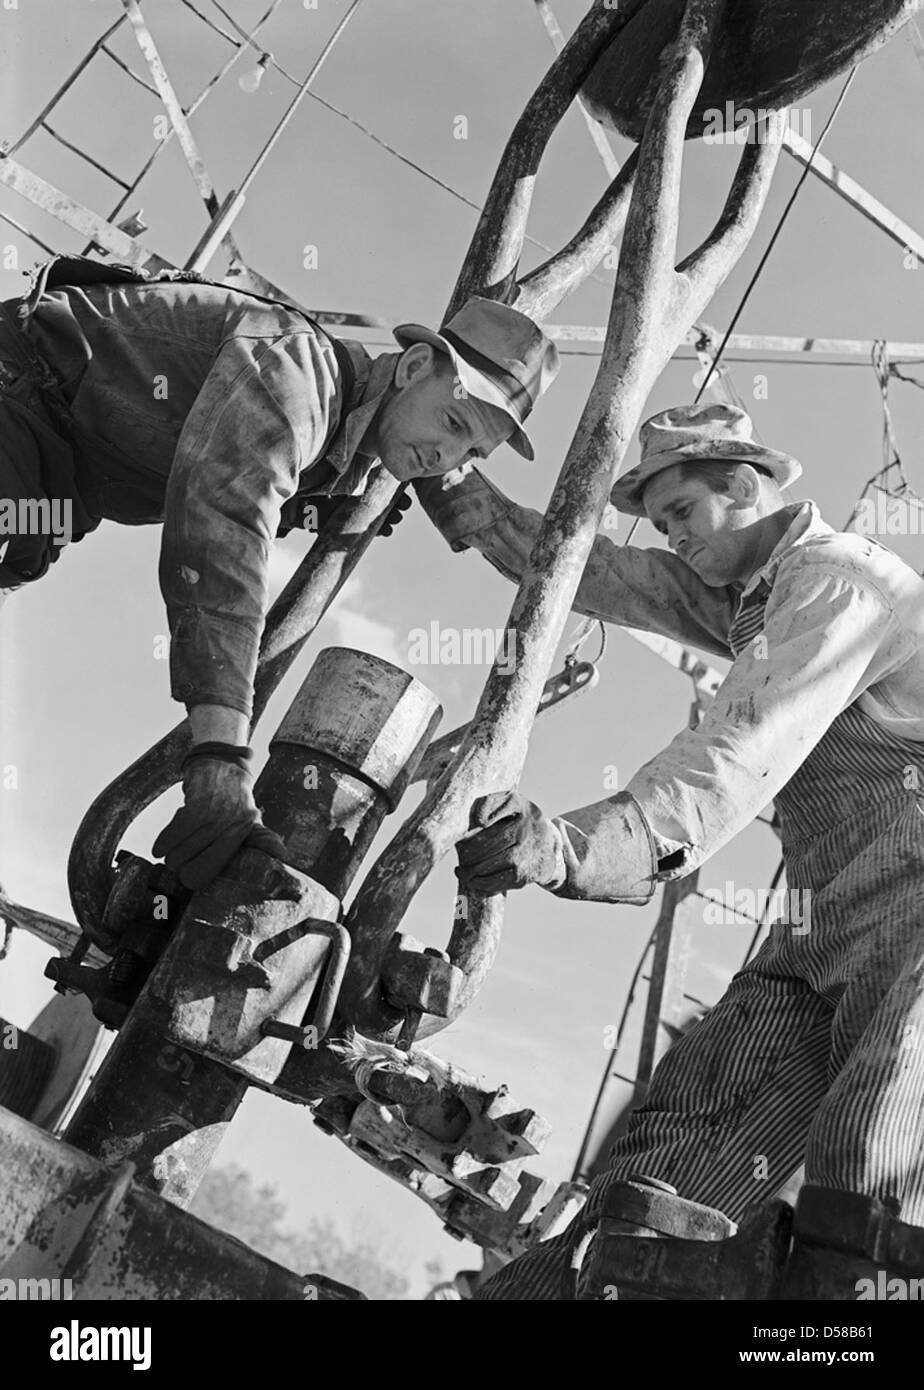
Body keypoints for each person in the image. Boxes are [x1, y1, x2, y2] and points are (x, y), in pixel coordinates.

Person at [421, 400, 924, 1298]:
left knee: (865, 1174)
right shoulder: (753, 597)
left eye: (682, 514)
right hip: (827, 922)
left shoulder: (841, 583)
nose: (672, 537)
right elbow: (617, 579)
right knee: (676, 1143)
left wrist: (585, 847)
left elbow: (745, 744)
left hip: (916, 915)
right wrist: (464, 496)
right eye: (661, 525)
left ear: (743, 484)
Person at [0, 256, 559, 889]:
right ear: (409, 366)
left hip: (53, 483)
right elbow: (222, 539)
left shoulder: (336, 445)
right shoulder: (294, 375)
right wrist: (219, 755)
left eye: (471, 452)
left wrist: (311, 498)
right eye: (453, 423)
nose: (445, 458)